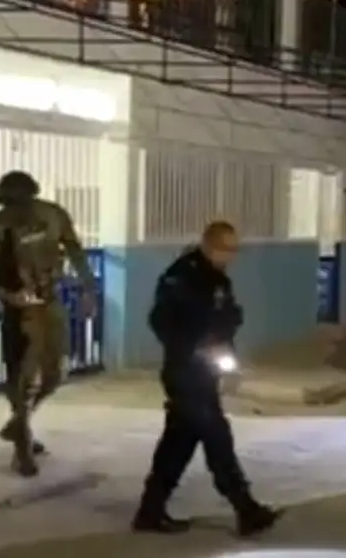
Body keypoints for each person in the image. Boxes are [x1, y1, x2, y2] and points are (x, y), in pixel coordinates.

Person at [134, 220, 279, 536]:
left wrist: (226, 347)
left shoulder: (216, 279)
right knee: (217, 438)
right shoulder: (182, 276)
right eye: (228, 249)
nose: (233, 256)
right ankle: (246, 508)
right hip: (185, 373)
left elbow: (224, 319)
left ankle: (150, 512)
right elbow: (161, 321)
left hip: (204, 373)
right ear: (211, 245)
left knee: (178, 443)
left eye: (235, 249)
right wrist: (192, 347)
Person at [0, 170, 97, 477]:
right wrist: (6, 296)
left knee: (55, 374)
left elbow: (75, 249)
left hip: (50, 303)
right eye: (10, 203)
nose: (16, 209)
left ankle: (18, 424)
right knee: (22, 381)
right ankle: (22, 448)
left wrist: (88, 288)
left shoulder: (53, 215)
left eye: (20, 201)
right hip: (20, 311)